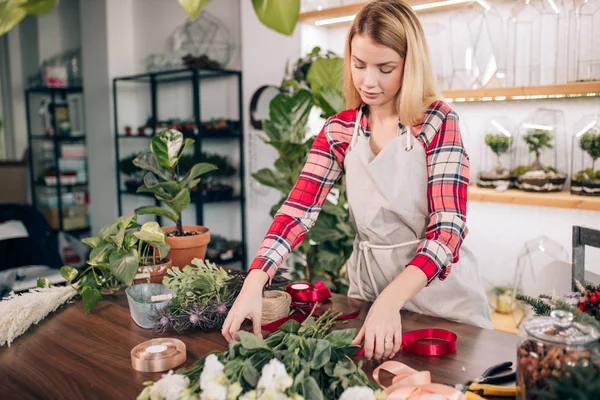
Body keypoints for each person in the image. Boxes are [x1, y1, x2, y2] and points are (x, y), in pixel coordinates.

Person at [222, 0, 492, 360]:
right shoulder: (340, 130)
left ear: (410, 66)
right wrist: (254, 281)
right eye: (359, 64)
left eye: (385, 68)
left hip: (445, 306)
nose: (368, 81)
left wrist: (390, 300)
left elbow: (448, 231)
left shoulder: (438, 122)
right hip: (369, 298)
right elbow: (297, 212)